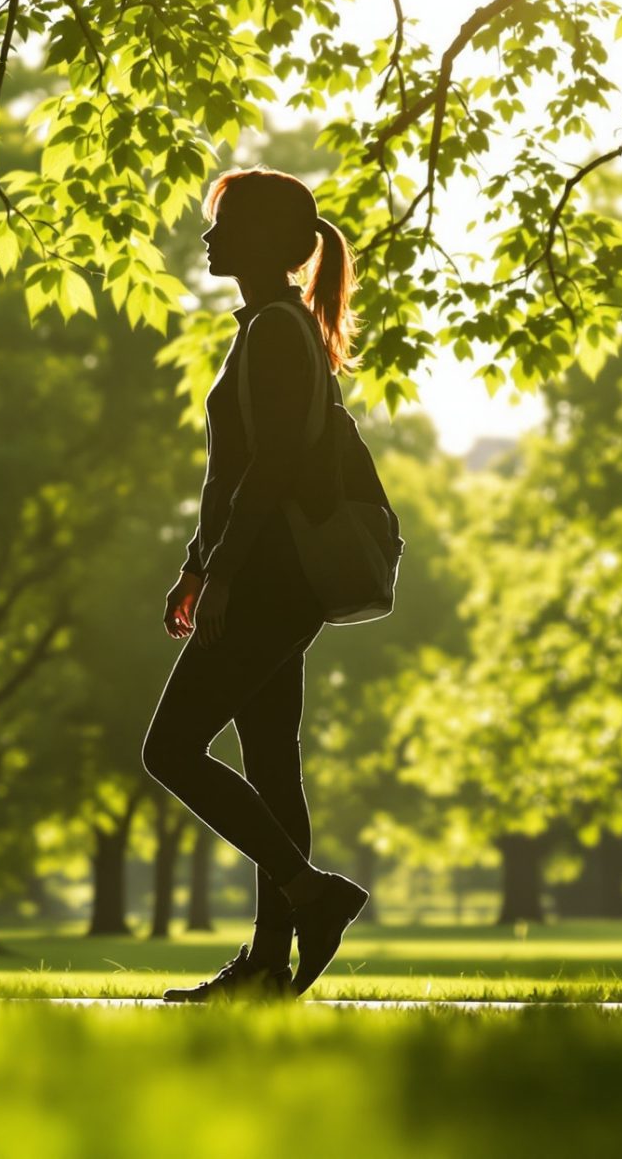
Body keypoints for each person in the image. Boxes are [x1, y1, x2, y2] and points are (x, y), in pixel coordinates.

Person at [145, 167, 371, 1001]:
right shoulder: (274, 327)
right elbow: (234, 470)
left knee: (169, 749)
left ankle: (315, 895)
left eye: (224, 224)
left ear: (268, 243)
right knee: (274, 770)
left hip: (271, 579)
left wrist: (225, 575)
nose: (207, 237)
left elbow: (268, 469)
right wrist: (196, 565)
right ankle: (268, 966)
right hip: (268, 575)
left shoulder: (277, 330)